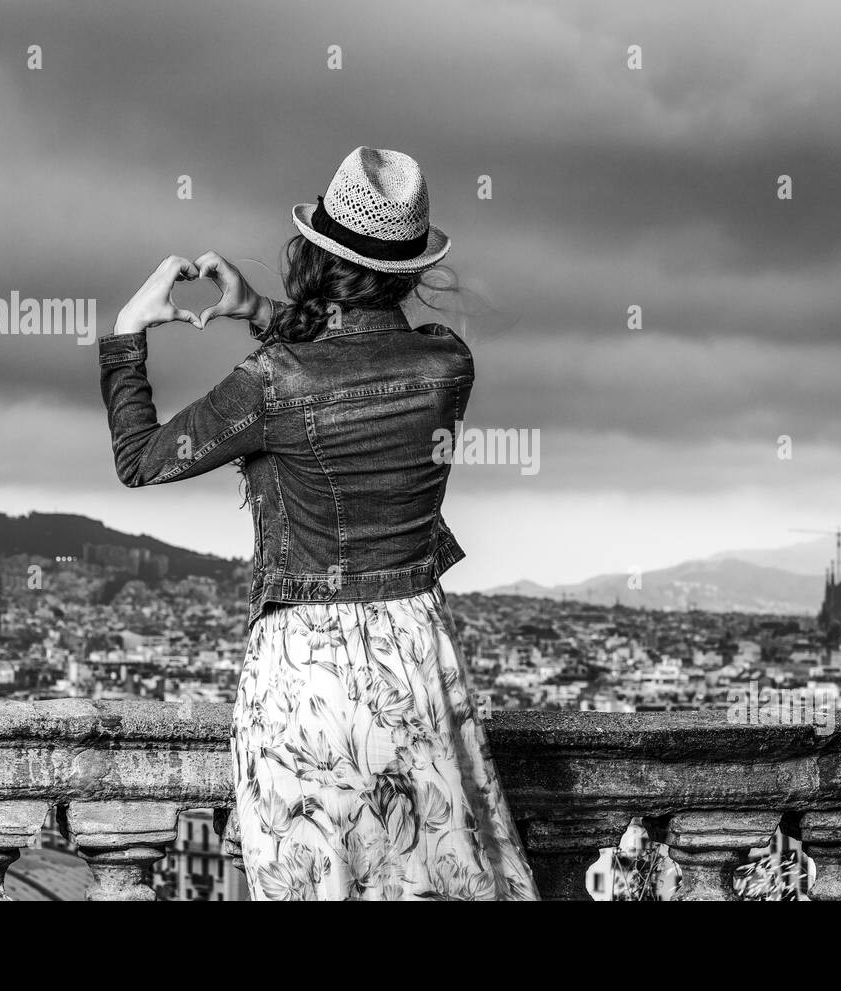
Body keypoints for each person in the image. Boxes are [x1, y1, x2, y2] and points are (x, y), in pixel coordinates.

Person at [99, 146, 539, 900]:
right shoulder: (446, 367)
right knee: (426, 878)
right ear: (409, 267)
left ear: (313, 251)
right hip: (417, 657)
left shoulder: (272, 383)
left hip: (307, 674)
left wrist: (124, 336)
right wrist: (257, 313)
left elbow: (142, 458)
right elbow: (357, 356)